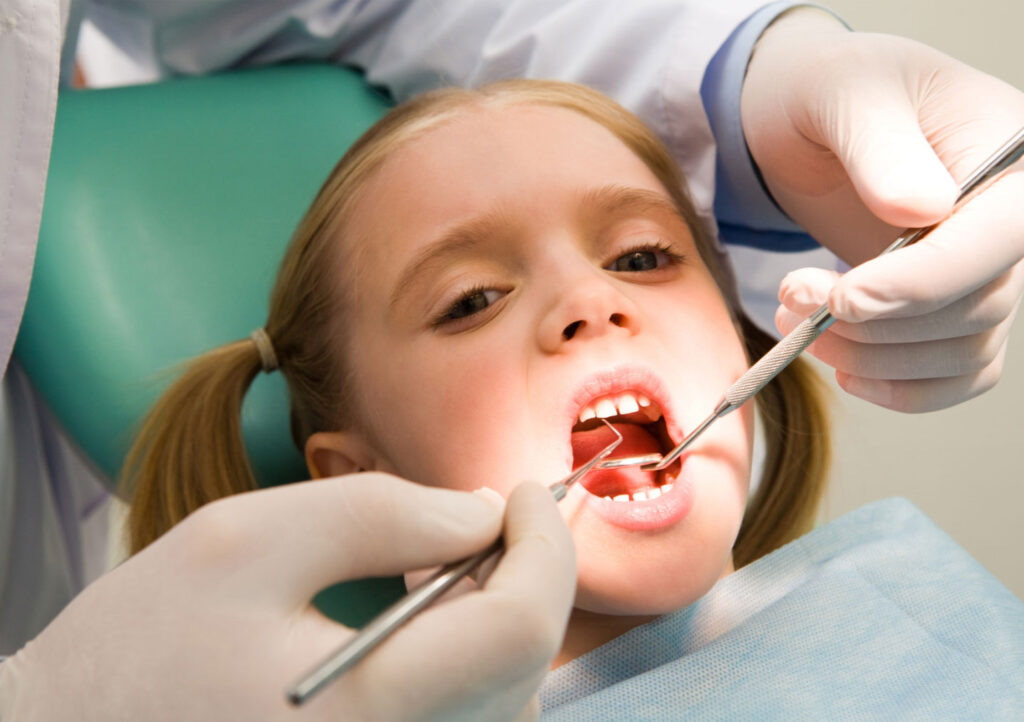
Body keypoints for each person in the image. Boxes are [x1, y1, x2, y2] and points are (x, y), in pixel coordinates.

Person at [2, 0, 1023, 716]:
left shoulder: (904, 597)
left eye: (642, 255)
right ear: (354, 483)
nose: (590, 301)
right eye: (472, 299)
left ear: (741, 341)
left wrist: (765, 69)